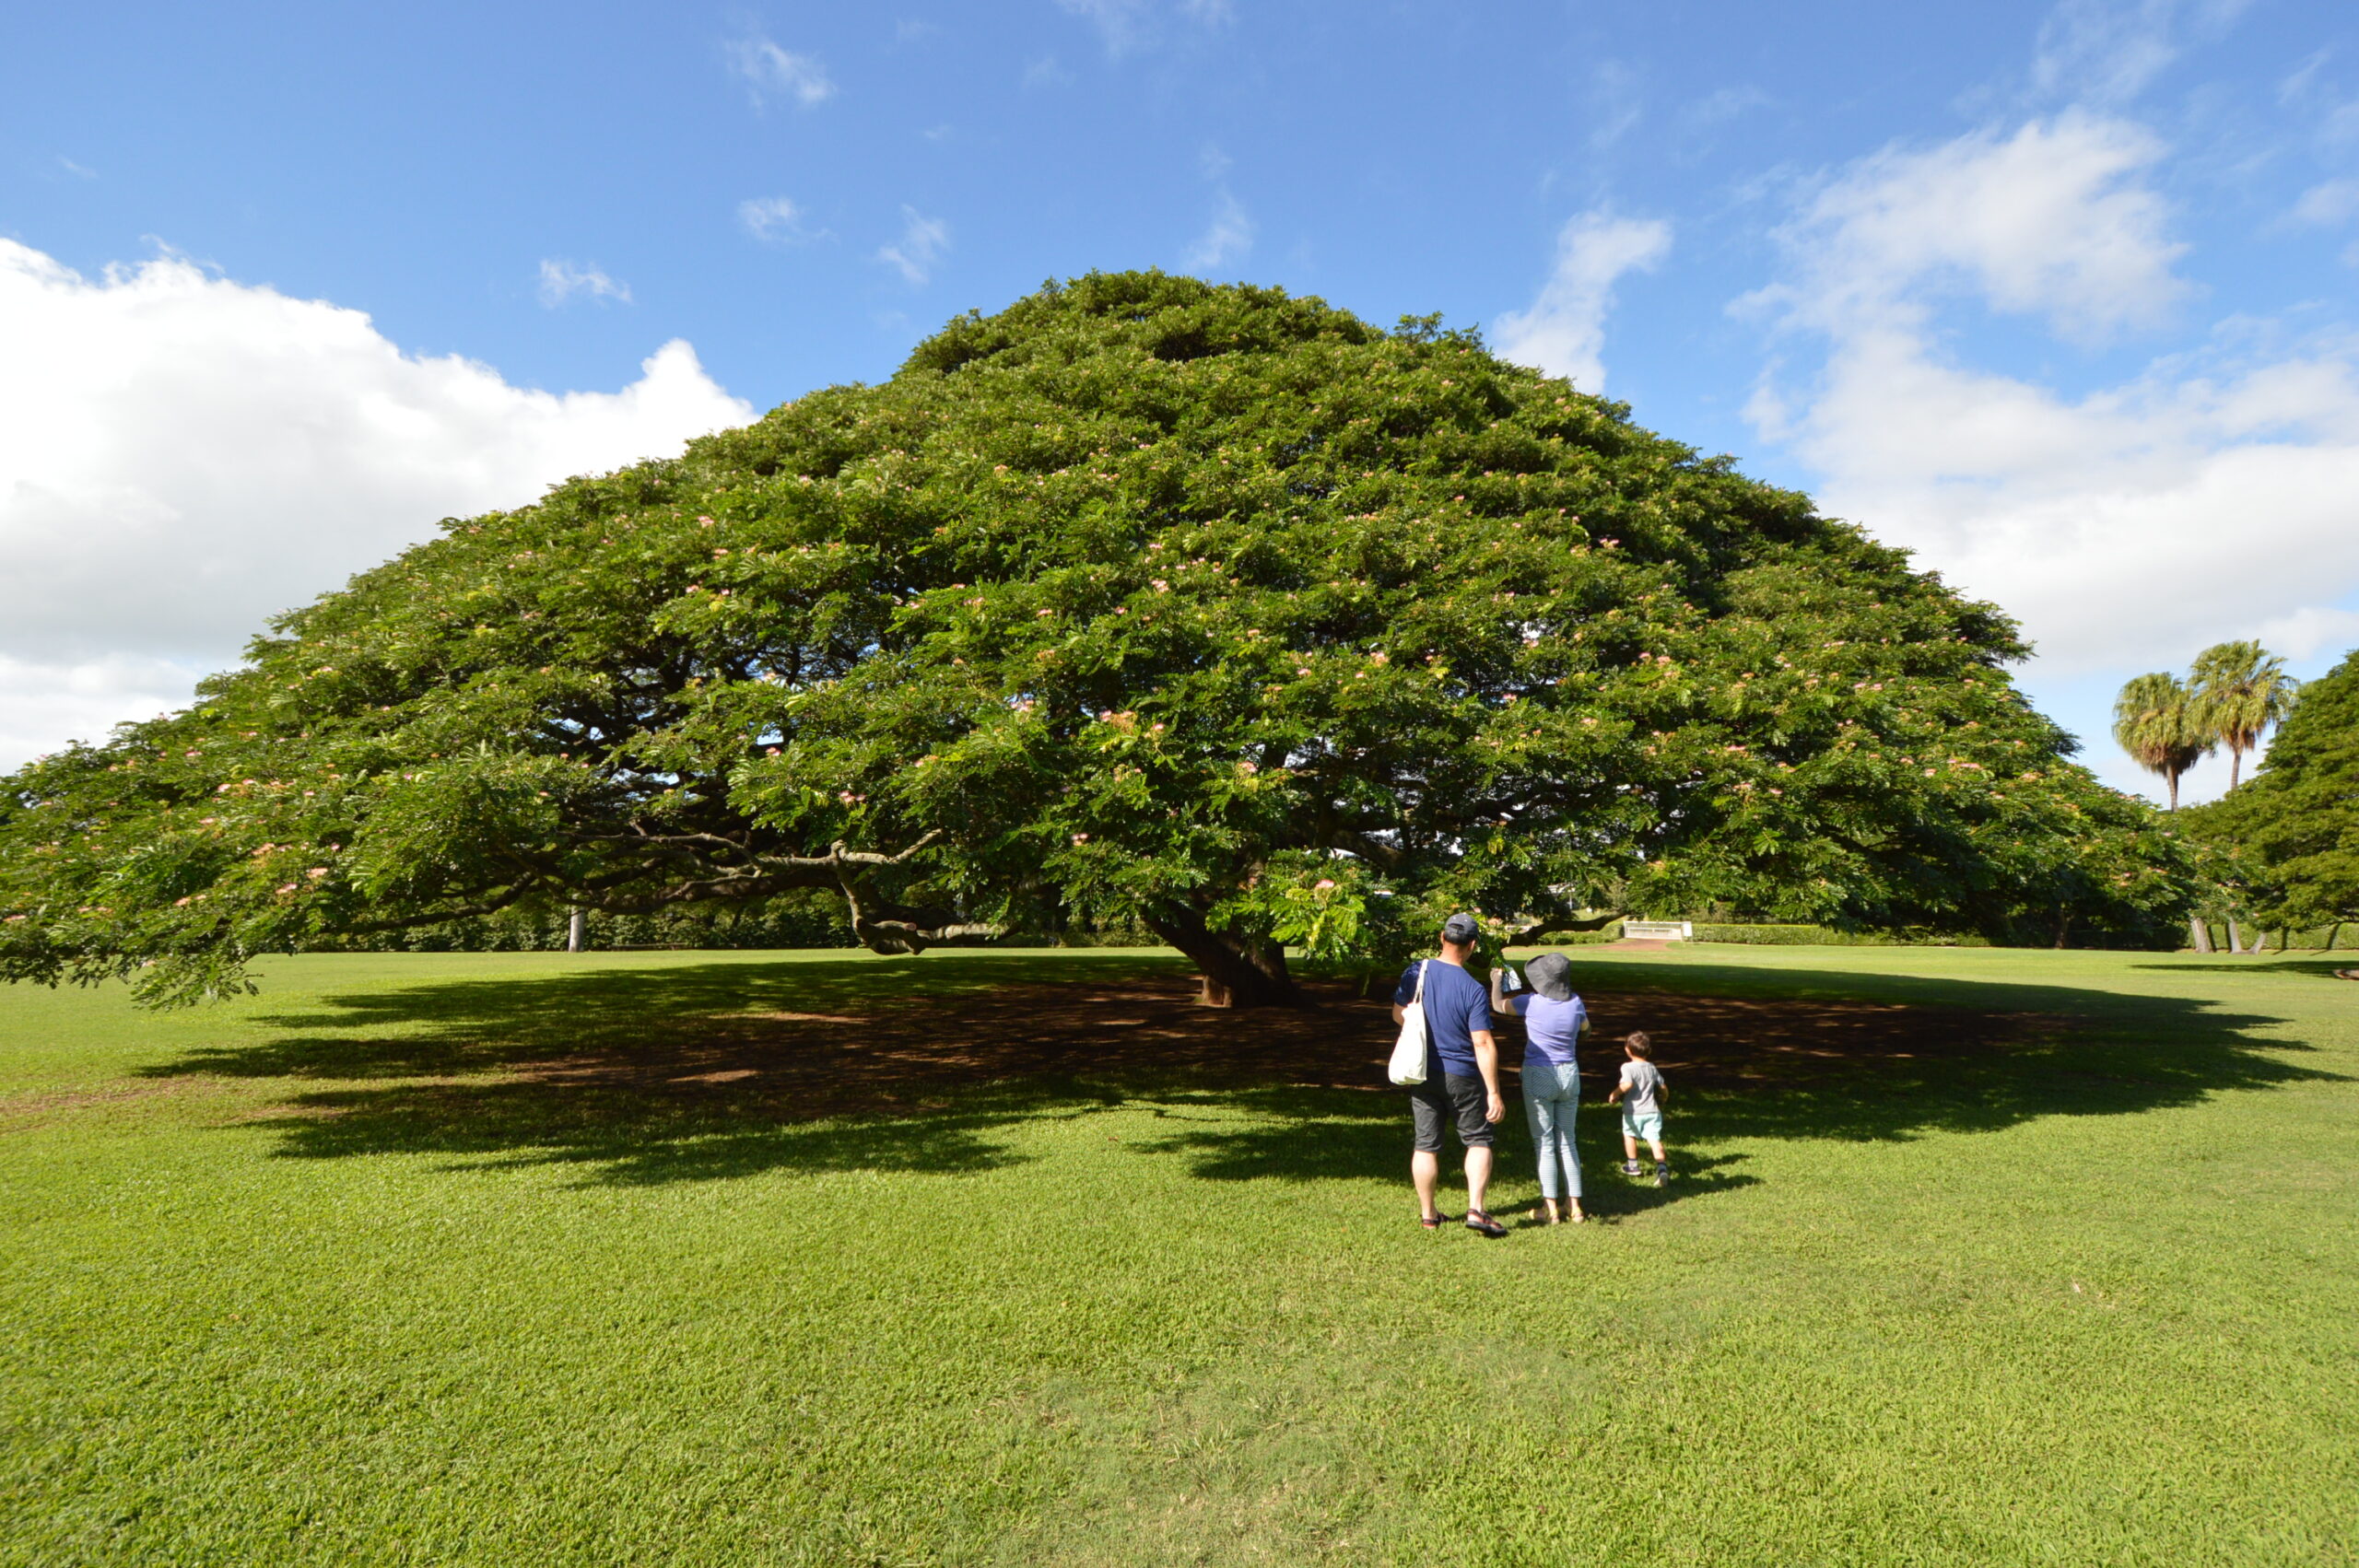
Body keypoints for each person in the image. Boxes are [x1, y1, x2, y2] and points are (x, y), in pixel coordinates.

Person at [1393, 913, 1508, 1236]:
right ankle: (1476, 1209)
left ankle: (1429, 1216)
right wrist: (1494, 1092)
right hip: (1462, 1075)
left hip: (1421, 1070)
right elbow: (1482, 1042)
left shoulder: (1416, 971)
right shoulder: (1472, 988)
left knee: (1426, 1144)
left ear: (1442, 938)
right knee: (1479, 1139)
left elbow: (1397, 1014)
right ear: (1472, 946)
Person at [1491, 952, 1587, 1223]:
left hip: (1538, 1074)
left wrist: (1496, 980)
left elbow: (1498, 1005)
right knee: (1568, 1141)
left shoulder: (1530, 1003)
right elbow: (1585, 1029)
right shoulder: (1576, 1002)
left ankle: (1550, 1208)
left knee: (1543, 1142)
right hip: (1569, 1073)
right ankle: (1576, 1207)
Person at [1604, 1032, 1669, 1186]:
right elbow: (1663, 1087)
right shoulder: (1651, 1067)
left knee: (1629, 1135)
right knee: (1654, 1139)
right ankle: (1662, 1168)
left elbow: (1627, 1084)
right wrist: (1664, 1098)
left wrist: (1614, 1094)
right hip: (1652, 1111)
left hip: (1633, 1112)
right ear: (1649, 1051)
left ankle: (1633, 1166)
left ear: (1627, 1050)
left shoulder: (1627, 1067)